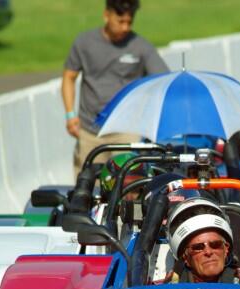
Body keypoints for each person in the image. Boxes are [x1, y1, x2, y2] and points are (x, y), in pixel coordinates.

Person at [62, 0, 168, 177]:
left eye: (129, 22)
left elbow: (161, 81)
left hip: (126, 131)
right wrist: (70, 115)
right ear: (106, 15)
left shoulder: (141, 47)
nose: (125, 27)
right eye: (120, 21)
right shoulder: (84, 43)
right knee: (88, 188)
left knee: (127, 185)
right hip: (90, 130)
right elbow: (69, 77)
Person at [166, 198, 238, 284]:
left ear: (226, 249)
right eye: (198, 247)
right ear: (186, 257)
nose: (208, 252)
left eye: (216, 245)